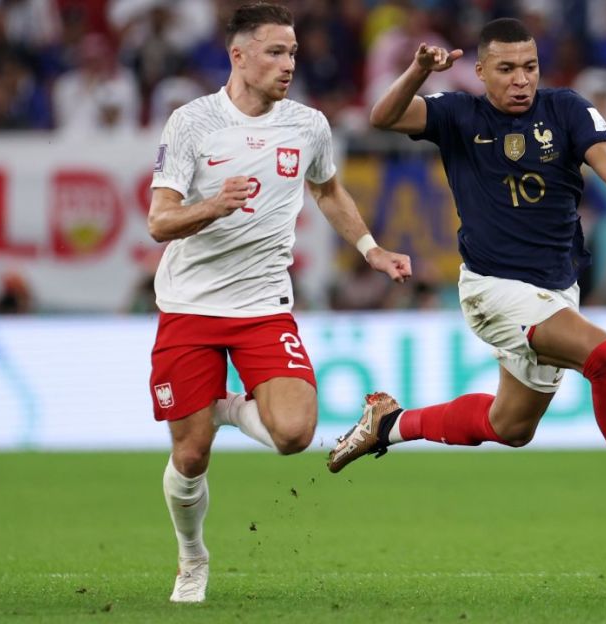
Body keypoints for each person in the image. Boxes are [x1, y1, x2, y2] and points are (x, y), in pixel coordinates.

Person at [328, 18, 606, 555]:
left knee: (510, 425)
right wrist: (418, 70)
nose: (521, 80)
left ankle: (390, 425)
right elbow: (384, 117)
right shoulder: (458, 114)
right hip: (494, 289)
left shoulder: (565, 109)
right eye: (508, 69)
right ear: (482, 71)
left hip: (557, 291)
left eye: (530, 67)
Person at [146, 3, 410, 603]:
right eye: (274, 52)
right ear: (238, 56)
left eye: (291, 52)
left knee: (294, 433)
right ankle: (192, 560)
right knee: (190, 457)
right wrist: (212, 205)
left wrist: (370, 249)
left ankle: (221, 408)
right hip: (189, 306)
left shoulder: (308, 125)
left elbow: (327, 188)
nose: (288, 63)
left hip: (264, 305)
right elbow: (160, 222)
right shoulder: (191, 123)